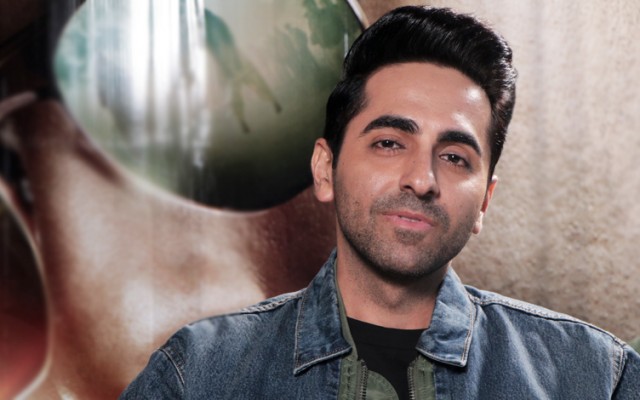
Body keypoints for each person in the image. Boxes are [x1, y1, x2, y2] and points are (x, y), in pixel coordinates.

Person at [120, 6, 640, 399]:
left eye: (455, 157)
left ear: (485, 200)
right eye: (390, 143)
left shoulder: (597, 378)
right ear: (325, 168)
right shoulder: (196, 375)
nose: (421, 179)